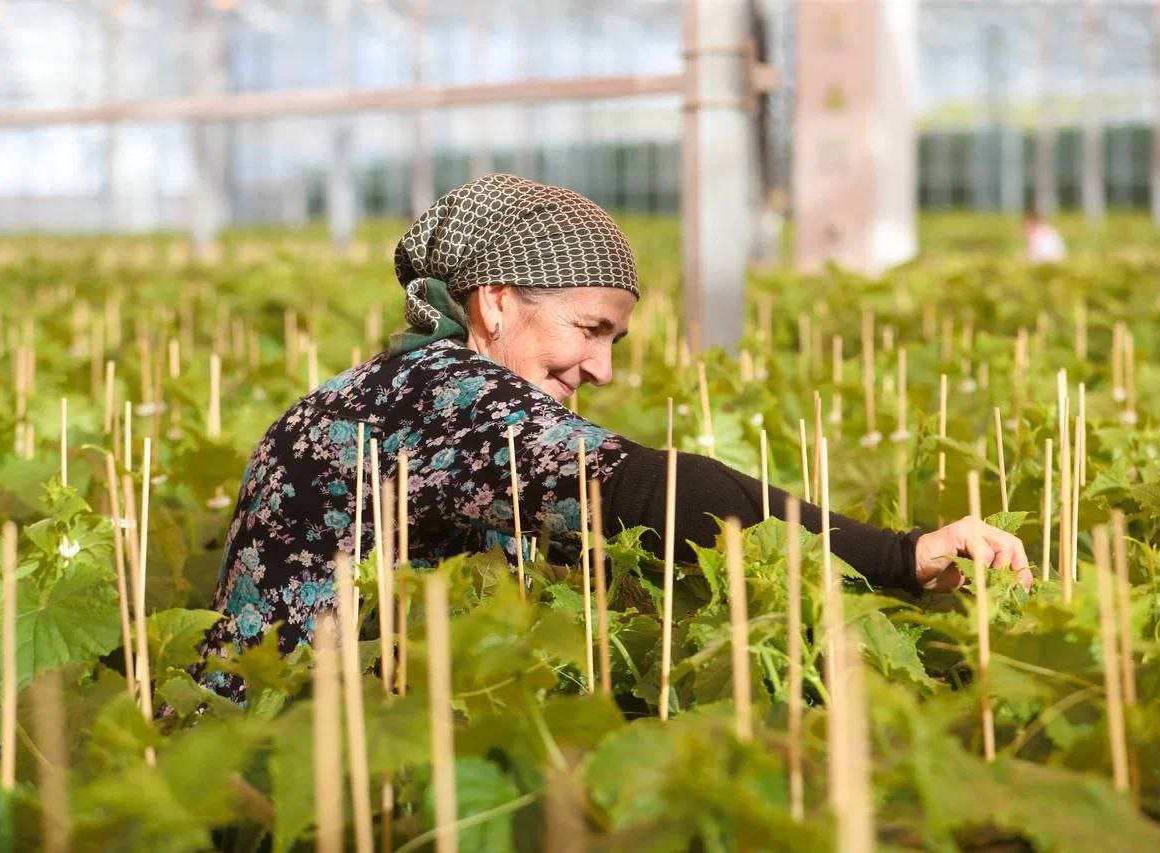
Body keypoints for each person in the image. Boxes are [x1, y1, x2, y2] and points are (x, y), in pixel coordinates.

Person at [195, 173, 1030, 703]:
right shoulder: (457, 399)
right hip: (282, 749)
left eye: (613, 340)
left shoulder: (378, 388)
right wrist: (901, 555)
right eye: (586, 328)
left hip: (259, 731)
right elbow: (654, 492)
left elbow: (579, 539)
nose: (599, 368)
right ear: (493, 303)